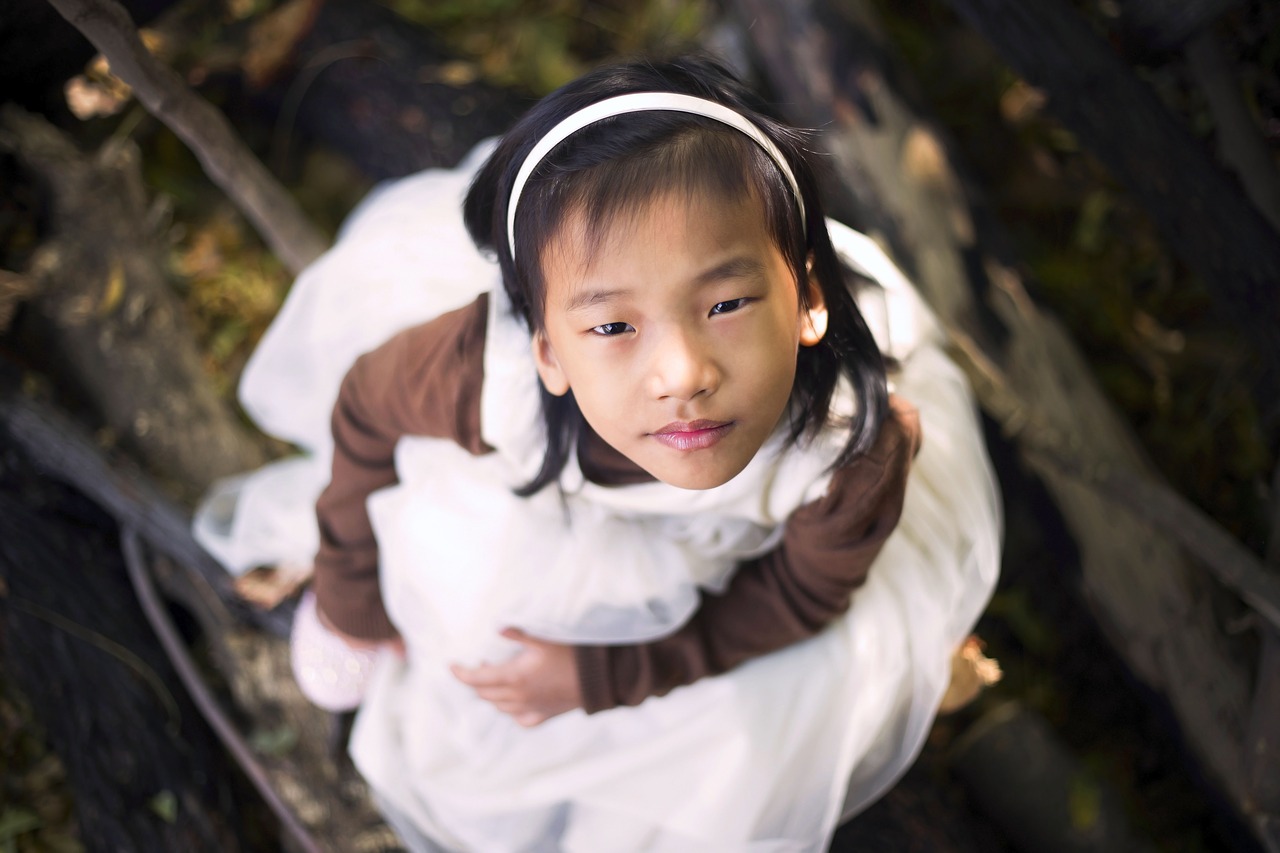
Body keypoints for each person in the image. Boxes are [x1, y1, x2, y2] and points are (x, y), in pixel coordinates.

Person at [195, 54, 1002, 852]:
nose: (684, 374)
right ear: (548, 349)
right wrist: (350, 595)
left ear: (810, 301)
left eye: (727, 303)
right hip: (562, 485)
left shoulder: (848, 452)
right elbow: (364, 415)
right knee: (460, 571)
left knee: (737, 740)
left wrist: (606, 677)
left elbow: (800, 593)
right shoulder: (486, 376)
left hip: (741, 545)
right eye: (613, 327)